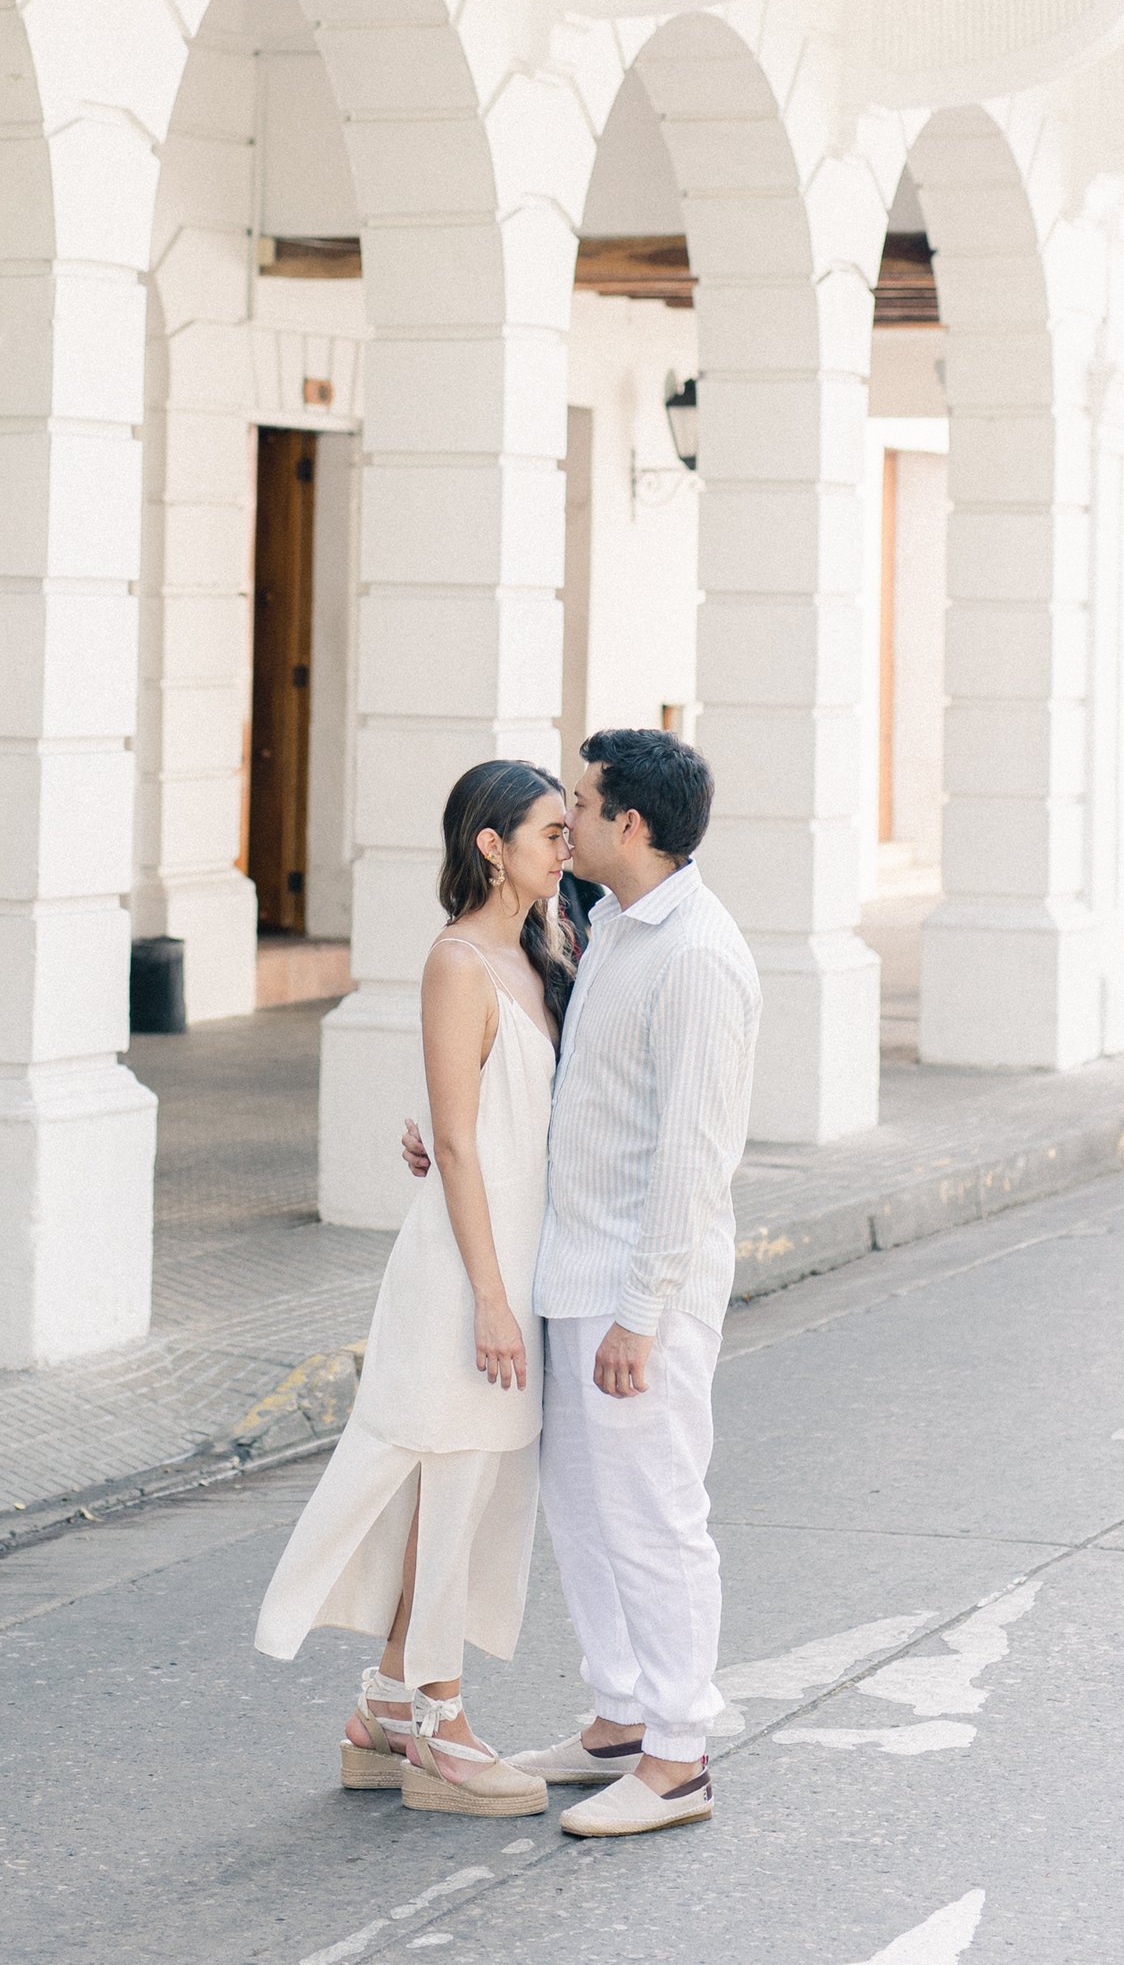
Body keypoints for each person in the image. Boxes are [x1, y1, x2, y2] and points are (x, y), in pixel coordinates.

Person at [405, 725, 760, 1841]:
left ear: (630, 827)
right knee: (586, 1508)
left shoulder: (696, 954)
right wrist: (450, 1127)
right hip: (569, 1267)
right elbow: (577, 1094)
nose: (571, 816)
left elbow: (690, 1156)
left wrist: (642, 1315)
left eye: (585, 803)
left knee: (654, 1514)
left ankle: (677, 1756)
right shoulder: (608, 925)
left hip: (630, 1290)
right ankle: (619, 1713)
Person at [255, 759, 574, 1817]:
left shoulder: (543, 951)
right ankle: (439, 1721)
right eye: (547, 832)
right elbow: (450, 1134)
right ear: (491, 845)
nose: (564, 849)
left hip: (517, 1255)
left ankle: (388, 1709)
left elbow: (495, 1117)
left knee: (469, 1489)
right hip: (464, 1272)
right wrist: (488, 1295)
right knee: (445, 1480)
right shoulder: (457, 962)